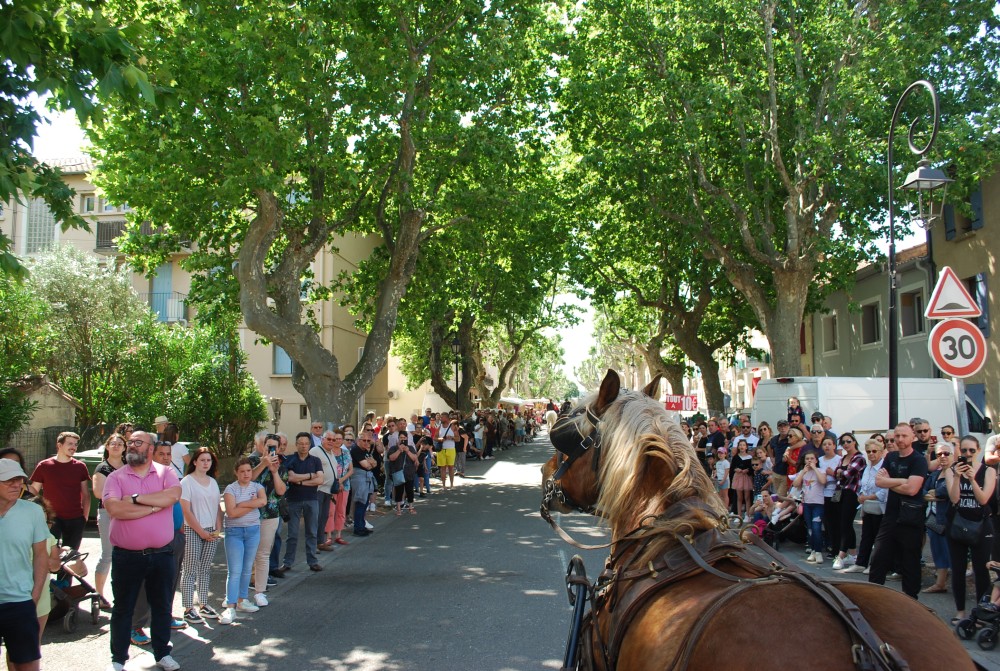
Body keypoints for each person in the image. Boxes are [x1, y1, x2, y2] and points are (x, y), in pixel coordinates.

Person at [102, 431, 182, 671]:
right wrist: (152, 508)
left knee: (162, 605)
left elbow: (173, 495)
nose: (132, 446)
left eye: (138, 442)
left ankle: (162, 653)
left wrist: (135, 499)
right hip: (127, 556)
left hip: (162, 554)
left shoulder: (165, 472)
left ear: (150, 448)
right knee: (123, 608)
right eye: (130, 443)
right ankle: (118, 659)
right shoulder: (115, 477)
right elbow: (115, 509)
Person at [868, 423, 929, 599]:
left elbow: (912, 490)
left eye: (904, 436)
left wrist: (891, 482)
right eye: (897, 436)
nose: (900, 439)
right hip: (890, 517)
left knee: (910, 562)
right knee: (878, 557)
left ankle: (911, 601)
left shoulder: (918, 460)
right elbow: (878, 482)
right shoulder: (891, 457)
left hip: (911, 518)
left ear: (912, 437)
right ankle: (872, 596)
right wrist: (902, 480)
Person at [0, 459, 49, 671]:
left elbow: (41, 555)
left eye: (19, 479)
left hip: (20, 601)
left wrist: (35, 594)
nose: (16, 484)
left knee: (26, 664)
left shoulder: (33, 512)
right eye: (8, 480)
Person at [944, 435, 996, 623]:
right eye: (964, 451)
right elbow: (954, 498)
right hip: (958, 524)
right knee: (957, 569)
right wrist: (958, 476)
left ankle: (980, 613)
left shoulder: (988, 471)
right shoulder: (952, 471)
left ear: (978, 451)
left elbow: (983, 500)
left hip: (981, 525)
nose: (967, 454)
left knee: (981, 570)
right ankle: (960, 612)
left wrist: (973, 479)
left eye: (971, 451)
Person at [219, 458, 267, 625]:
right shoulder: (230, 489)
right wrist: (252, 505)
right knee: (235, 570)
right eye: (242, 471)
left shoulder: (257, 486)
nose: (246, 474)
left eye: (248, 471)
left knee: (247, 568)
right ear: (236, 473)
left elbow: (263, 501)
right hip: (234, 532)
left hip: (253, 530)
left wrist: (244, 504)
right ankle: (230, 606)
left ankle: (242, 599)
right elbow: (231, 513)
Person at [179, 447, 223, 624]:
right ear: (195, 462)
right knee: (189, 570)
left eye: (209, 460)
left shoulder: (212, 482)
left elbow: (217, 507)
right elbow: (186, 510)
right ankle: (189, 607)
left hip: (211, 530)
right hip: (193, 530)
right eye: (202, 460)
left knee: (205, 569)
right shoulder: (187, 482)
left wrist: (218, 527)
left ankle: (203, 604)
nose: (206, 463)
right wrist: (201, 532)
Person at [28, 431, 91, 552]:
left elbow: (86, 494)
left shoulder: (80, 466)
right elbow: (34, 491)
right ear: (59, 445)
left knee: (71, 557)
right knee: (50, 554)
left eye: (75, 444)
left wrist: (85, 518)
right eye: (70, 443)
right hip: (52, 518)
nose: (73, 447)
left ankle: (66, 572)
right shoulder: (44, 466)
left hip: (76, 518)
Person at [248, 433, 287, 606]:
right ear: (262, 446)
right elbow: (248, 480)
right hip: (249, 514)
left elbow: (280, 491)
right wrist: (263, 463)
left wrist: (274, 471)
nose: (271, 449)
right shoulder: (252, 463)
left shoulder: (282, 467)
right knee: (248, 553)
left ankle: (260, 591)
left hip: (270, 515)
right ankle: (244, 588)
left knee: (263, 553)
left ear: (278, 449)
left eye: (274, 447)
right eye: (268, 446)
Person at [279, 432, 324, 573]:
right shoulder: (290, 459)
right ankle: (288, 562)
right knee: (292, 534)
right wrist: (311, 476)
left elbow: (320, 480)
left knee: (312, 531)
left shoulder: (316, 460)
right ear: (296, 444)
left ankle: (312, 561)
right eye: (301, 443)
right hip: (293, 500)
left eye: (306, 443)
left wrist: (300, 481)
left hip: (312, 499)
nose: (304, 446)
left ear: (310, 444)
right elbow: (290, 478)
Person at [844, 439, 888, 574]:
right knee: (866, 535)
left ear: (881, 452)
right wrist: (861, 496)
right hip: (867, 507)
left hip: (880, 507)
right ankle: (861, 563)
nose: (871, 454)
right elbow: (863, 485)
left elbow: (884, 491)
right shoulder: (867, 468)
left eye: (874, 451)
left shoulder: (883, 469)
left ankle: (875, 565)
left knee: (878, 538)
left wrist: (867, 497)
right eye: (868, 451)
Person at [93, 433, 126, 608]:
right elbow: (99, 493)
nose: (116, 446)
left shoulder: (129, 466)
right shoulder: (102, 468)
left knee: (125, 556)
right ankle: (98, 595)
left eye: (120, 443)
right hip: (107, 513)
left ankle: (122, 595)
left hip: (126, 513)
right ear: (107, 447)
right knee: (108, 555)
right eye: (112, 443)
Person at [831, 433, 864, 570]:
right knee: (842, 523)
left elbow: (848, 474)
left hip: (851, 493)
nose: (845, 444)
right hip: (839, 492)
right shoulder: (843, 458)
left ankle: (841, 555)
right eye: (843, 442)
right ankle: (853, 554)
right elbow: (835, 473)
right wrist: (838, 472)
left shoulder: (859, 458)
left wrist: (839, 472)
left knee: (846, 523)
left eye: (848, 441)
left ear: (854, 442)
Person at [312, 430, 344, 552]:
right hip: (318, 490)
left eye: (333, 440)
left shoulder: (330, 452)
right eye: (328, 439)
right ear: (322, 439)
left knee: (324, 517)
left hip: (328, 490)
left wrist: (336, 482)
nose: (331, 442)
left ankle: (320, 542)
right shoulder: (315, 451)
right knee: (316, 517)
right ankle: (313, 544)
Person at [320, 430, 352, 548]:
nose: (337, 441)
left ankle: (338, 535)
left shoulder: (346, 452)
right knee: (330, 511)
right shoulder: (328, 452)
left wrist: (341, 480)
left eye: (339, 439)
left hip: (345, 485)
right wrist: (337, 482)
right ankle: (328, 536)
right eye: (335, 439)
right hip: (331, 486)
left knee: (341, 510)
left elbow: (351, 469)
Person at [794, 452, 827, 564]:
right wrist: (803, 471)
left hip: (818, 503)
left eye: (812, 458)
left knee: (816, 527)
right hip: (807, 504)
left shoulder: (821, 471)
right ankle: (813, 550)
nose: (809, 460)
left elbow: (823, 481)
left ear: (816, 460)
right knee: (810, 528)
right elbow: (795, 484)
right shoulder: (803, 473)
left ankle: (818, 552)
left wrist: (814, 468)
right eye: (807, 458)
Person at [349, 429, 378, 537]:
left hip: (367, 478)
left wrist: (371, 463)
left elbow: (374, 463)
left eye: (368, 441)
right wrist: (371, 463)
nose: (366, 442)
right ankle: (358, 528)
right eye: (364, 440)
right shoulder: (356, 450)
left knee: (364, 503)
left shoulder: (365, 450)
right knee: (360, 503)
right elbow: (367, 465)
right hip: (359, 478)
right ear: (358, 440)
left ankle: (362, 525)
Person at [387, 431, 419, 516]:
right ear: (398, 439)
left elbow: (415, 458)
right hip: (398, 472)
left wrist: (408, 451)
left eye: (404, 438)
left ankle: (411, 507)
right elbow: (391, 458)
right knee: (399, 491)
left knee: (410, 491)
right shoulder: (393, 448)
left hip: (409, 473)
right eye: (401, 438)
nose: (403, 440)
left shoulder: (411, 448)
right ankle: (398, 508)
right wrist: (399, 450)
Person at [730, 440, 754, 522]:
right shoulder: (736, 457)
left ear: (746, 447)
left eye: (743, 445)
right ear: (738, 446)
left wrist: (747, 470)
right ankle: (739, 515)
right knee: (739, 497)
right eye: (740, 445)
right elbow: (732, 467)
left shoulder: (750, 457)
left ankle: (748, 515)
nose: (742, 446)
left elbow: (752, 468)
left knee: (747, 497)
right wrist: (736, 469)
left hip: (746, 478)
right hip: (738, 478)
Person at [769, 420, 791, 496]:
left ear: (788, 427)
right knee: (777, 494)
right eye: (780, 426)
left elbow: (803, 442)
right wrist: (772, 458)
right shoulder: (774, 439)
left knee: (780, 496)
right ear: (778, 428)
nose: (783, 428)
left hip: (786, 472)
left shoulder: (791, 438)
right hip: (776, 471)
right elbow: (769, 447)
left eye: (785, 426)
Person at [438, 420, 459, 490]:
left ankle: (452, 485)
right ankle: (443, 485)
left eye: (443, 417)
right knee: (443, 468)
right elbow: (434, 438)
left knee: (451, 467)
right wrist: (441, 439)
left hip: (451, 449)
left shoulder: (453, 427)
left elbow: (458, 439)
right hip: (441, 450)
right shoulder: (439, 427)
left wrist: (452, 438)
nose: (441, 418)